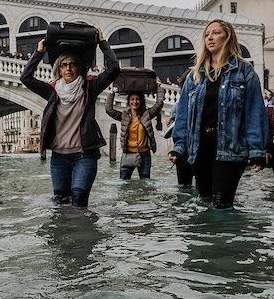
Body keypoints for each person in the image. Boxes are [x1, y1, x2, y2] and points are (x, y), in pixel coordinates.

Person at [168, 19, 269, 209]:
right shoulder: (195, 74)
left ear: (227, 37)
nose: (210, 38)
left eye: (215, 33)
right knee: (204, 202)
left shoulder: (244, 71)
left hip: (230, 148)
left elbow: (254, 112)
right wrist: (179, 146)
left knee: (222, 204)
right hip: (200, 148)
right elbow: (183, 114)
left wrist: (257, 150)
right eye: (206, 35)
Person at [20, 27, 120, 207]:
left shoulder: (90, 88)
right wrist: (38, 53)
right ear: (59, 68)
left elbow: (114, 69)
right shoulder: (52, 91)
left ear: (80, 67)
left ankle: (82, 233)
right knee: (60, 203)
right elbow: (25, 78)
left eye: (73, 64)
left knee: (79, 199)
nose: (69, 68)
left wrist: (102, 43)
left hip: (84, 156)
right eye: (64, 65)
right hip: (59, 157)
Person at [105, 80, 165, 179]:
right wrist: (112, 93)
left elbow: (159, 105)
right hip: (127, 154)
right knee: (123, 184)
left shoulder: (147, 115)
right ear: (128, 101)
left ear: (140, 101)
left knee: (145, 184)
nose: (134, 102)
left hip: (144, 154)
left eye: (137, 99)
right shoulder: (124, 116)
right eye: (132, 99)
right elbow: (109, 110)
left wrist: (159, 88)